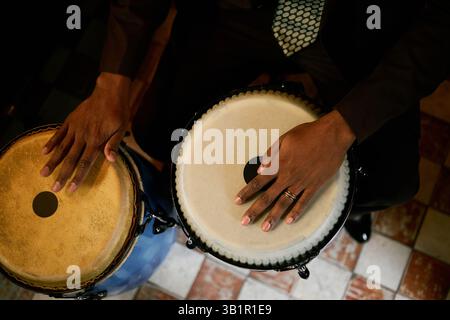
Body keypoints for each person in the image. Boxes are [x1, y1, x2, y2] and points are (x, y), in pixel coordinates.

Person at [39, 0, 450, 243]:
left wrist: (342, 128)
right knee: (163, 137)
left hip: (360, 30)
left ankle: (349, 211)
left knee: (387, 181)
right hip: (235, 15)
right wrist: (112, 82)